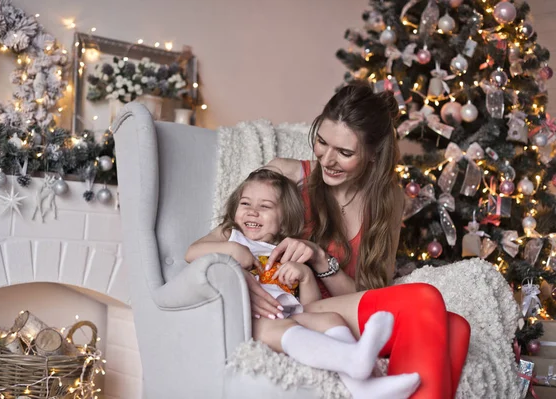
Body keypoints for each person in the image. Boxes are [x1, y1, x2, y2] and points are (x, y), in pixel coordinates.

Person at [242, 81, 471, 399]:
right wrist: (245, 284)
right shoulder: (286, 176)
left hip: (341, 309)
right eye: (322, 142)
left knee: (457, 327)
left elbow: (371, 296)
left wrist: (321, 260)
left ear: (374, 154)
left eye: (345, 152)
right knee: (424, 298)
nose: (327, 159)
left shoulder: (388, 199)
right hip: (297, 308)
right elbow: (223, 238)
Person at [186, 168, 421, 399]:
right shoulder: (230, 234)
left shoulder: (288, 251)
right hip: (248, 320)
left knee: (329, 318)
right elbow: (192, 253)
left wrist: (305, 276)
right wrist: (234, 251)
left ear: (284, 219)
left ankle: (364, 383)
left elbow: (310, 306)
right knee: (280, 328)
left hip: (288, 314)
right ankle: (353, 361)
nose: (253, 212)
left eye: (265, 206)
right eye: (245, 204)